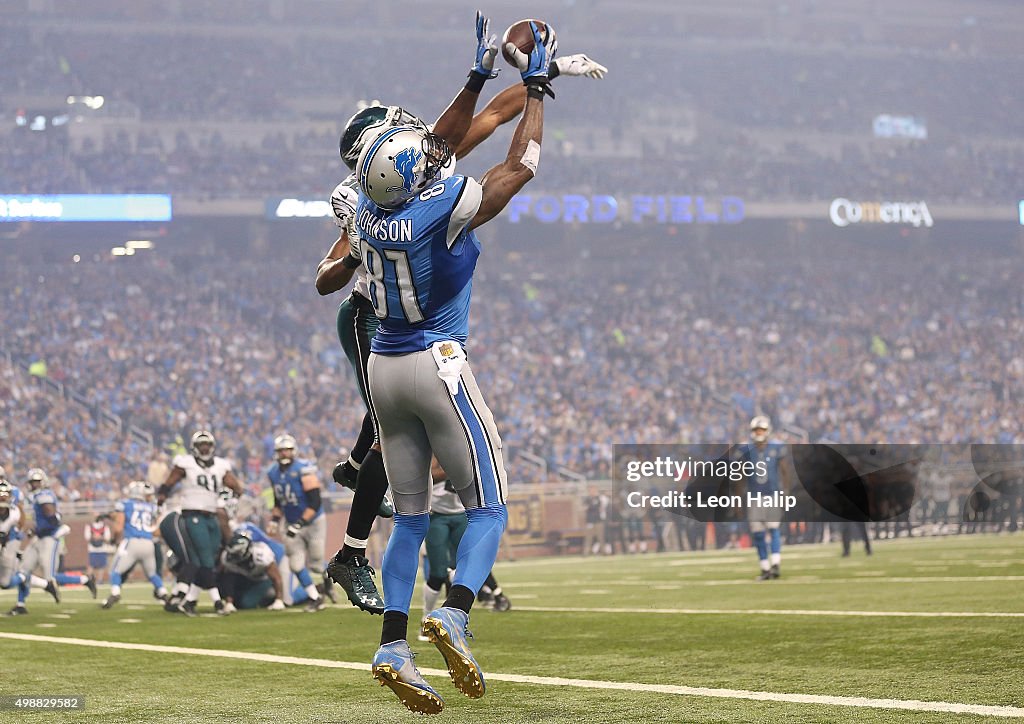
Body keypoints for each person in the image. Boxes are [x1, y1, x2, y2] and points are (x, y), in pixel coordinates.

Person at [319, 19, 607, 616]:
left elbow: (483, 120)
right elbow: (511, 160)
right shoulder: (371, 196)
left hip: (400, 329)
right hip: (383, 321)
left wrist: (540, 75)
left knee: (399, 450)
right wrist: (350, 258)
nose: (415, 134)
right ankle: (352, 549)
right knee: (393, 434)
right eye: (399, 131)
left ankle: (385, 607)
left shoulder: (391, 179)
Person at [359, 17, 556, 714]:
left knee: (409, 520)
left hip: (384, 369)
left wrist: (476, 78)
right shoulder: (440, 206)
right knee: (490, 507)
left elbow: (432, 149)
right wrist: (532, 88)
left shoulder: (361, 211)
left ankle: (391, 643)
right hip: (438, 362)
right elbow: (519, 166)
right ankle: (458, 613)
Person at [156, 430, 243, 615]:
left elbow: (236, 486)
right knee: (204, 558)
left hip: (212, 516)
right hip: (192, 515)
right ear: (194, 448)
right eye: (201, 445)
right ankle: (217, 601)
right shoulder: (185, 463)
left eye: (207, 445)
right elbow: (169, 482)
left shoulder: (220, 465)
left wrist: (233, 497)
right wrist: (162, 495)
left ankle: (189, 601)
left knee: (209, 559)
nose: (204, 448)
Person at [15, 468, 95, 613]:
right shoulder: (37, 496)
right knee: (23, 571)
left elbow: (50, 515)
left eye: (36, 482)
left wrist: (48, 527)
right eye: (32, 482)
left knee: (50, 576)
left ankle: (85, 580)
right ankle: (20, 604)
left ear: (43, 481)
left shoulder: (44, 495)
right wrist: (35, 529)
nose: (34, 485)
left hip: (49, 538)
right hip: (40, 537)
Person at [265, 433, 326, 611]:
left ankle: (327, 580)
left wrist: (299, 523)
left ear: (294, 451)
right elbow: (279, 500)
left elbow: (315, 502)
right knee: (295, 564)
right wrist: (275, 520)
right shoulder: (272, 473)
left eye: (287, 450)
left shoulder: (304, 469)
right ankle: (315, 597)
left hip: (313, 522)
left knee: (316, 563)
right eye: (281, 451)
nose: (284, 454)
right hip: (291, 523)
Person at [733, 416, 791, 580]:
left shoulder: (776, 447)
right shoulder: (746, 450)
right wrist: (737, 499)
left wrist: (785, 493)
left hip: (771, 495)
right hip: (753, 498)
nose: (759, 433)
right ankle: (765, 568)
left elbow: (785, 471)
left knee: (773, 529)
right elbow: (740, 476)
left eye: (762, 430)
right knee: (758, 534)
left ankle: (775, 563)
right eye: (756, 430)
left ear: (767, 431)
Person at [102, 482, 168, 608]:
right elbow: (156, 531)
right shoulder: (151, 507)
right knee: (152, 574)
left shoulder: (125, 504)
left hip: (132, 541)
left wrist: (114, 539)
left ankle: (115, 592)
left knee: (115, 571)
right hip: (149, 543)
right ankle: (163, 593)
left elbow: (118, 528)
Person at [85, 513, 113, 585]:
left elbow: (108, 538)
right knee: (91, 565)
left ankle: (99, 580)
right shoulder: (89, 526)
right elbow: (87, 537)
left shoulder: (105, 527)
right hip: (92, 548)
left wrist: (100, 537)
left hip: (102, 548)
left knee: (101, 566)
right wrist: (93, 537)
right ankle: (88, 580)